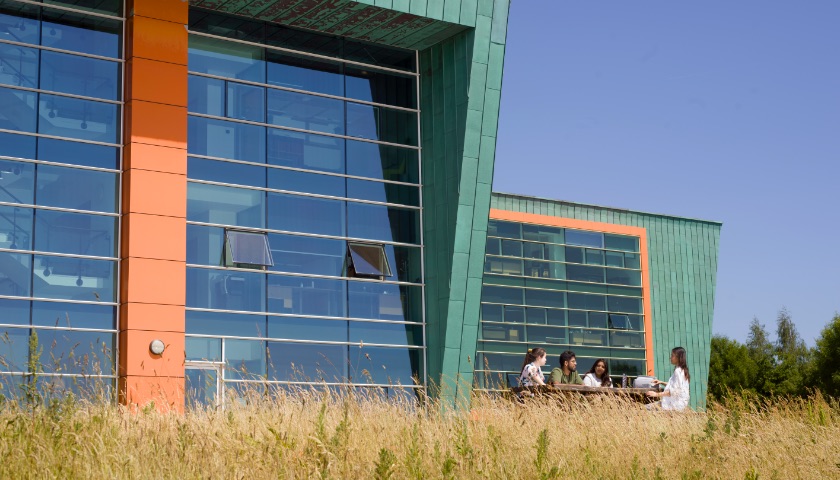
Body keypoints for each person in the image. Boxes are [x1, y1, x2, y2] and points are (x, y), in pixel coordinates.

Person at [646, 346, 690, 411]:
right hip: (678, 404)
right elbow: (676, 386)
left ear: (678, 357)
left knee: (645, 409)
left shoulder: (678, 371)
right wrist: (661, 382)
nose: (670, 357)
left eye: (672, 355)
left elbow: (674, 391)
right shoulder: (682, 370)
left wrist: (656, 394)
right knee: (647, 407)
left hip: (674, 405)